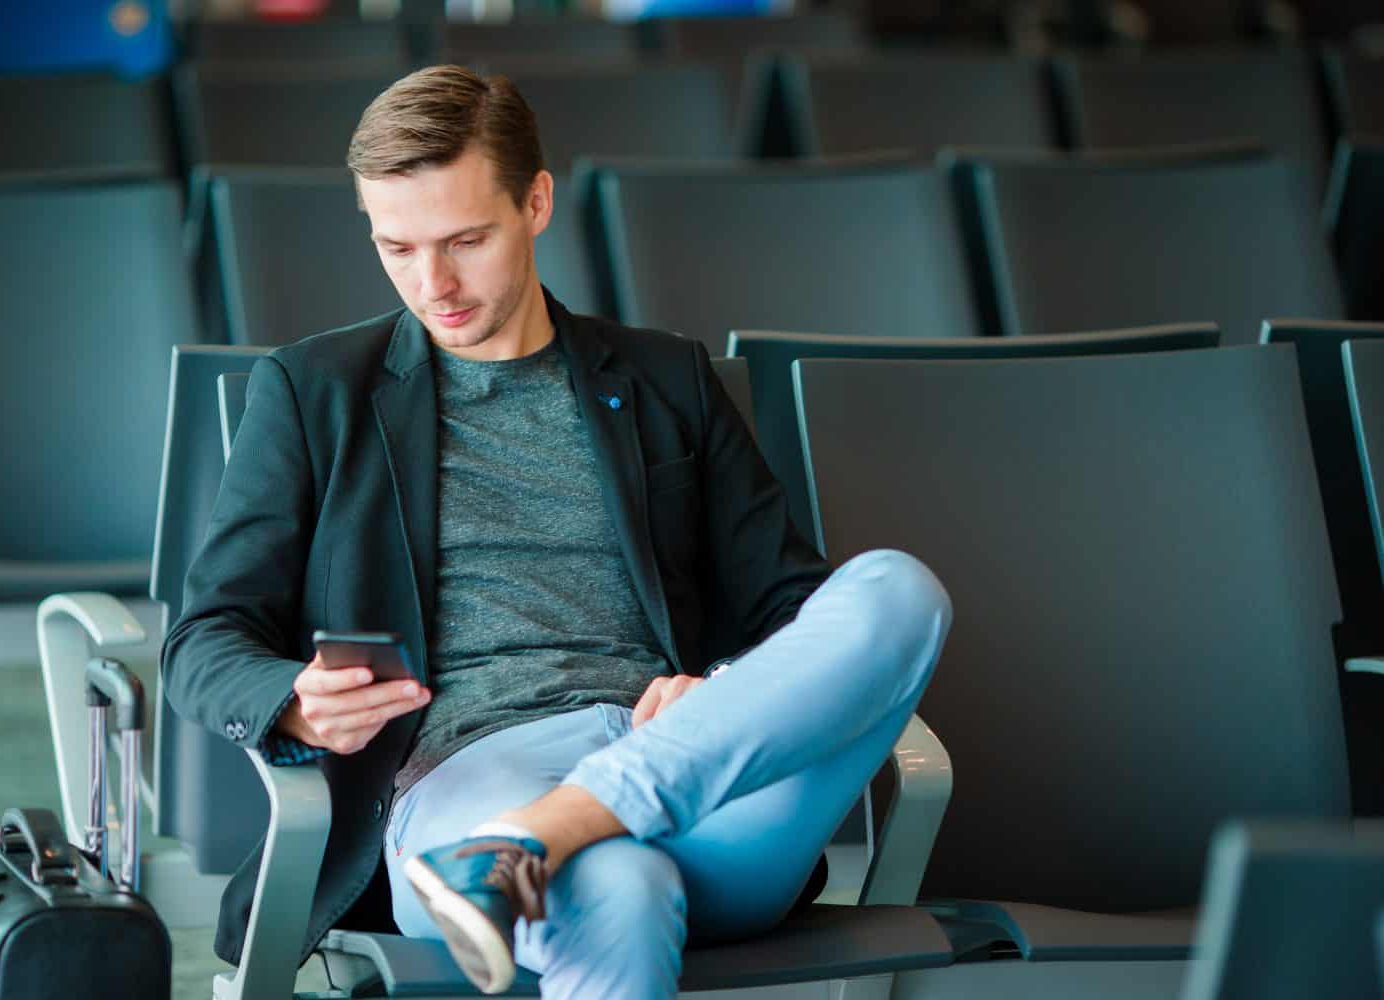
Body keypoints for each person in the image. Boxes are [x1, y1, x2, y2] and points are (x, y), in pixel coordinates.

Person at [162, 64, 952, 998]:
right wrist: (291, 696)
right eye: (398, 248)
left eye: (465, 240)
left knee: (899, 591)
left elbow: (791, 605)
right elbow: (202, 641)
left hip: (698, 778)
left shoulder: (666, 379)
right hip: (466, 781)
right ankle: (540, 844)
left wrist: (724, 687)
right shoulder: (313, 392)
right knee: (609, 882)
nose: (435, 283)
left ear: (536, 203)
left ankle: (547, 836)